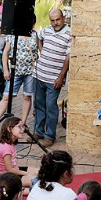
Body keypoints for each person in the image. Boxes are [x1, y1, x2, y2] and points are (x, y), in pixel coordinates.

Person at [34, 9, 71, 147]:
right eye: (53, 20)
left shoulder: (69, 33)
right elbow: (39, 36)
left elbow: (68, 57)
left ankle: (49, 136)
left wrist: (61, 77)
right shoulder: (47, 30)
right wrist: (41, 50)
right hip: (40, 73)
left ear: (63, 18)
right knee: (38, 104)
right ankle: (38, 132)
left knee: (51, 106)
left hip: (54, 78)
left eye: (58, 19)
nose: (55, 23)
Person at [0, 22, 38, 127]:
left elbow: (40, 51)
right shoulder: (13, 35)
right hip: (15, 71)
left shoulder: (35, 35)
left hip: (30, 71)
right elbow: (5, 54)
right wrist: (6, 70)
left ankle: (23, 123)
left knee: (27, 97)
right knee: (6, 97)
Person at [0, 116, 38, 187]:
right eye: (19, 127)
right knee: (37, 183)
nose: (23, 129)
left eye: (23, 127)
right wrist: (27, 174)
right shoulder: (5, 148)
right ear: (9, 128)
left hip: (14, 171)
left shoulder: (11, 142)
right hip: (7, 178)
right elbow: (10, 170)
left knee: (40, 172)